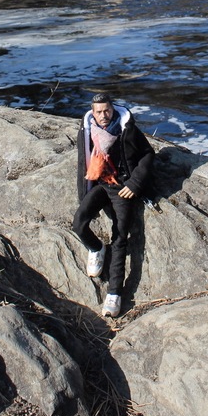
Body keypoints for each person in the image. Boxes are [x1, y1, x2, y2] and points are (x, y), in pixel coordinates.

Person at [73, 92, 155, 318]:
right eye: (98, 111)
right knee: (79, 224)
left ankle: (114, 293)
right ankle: (96, 248)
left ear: (113, 109)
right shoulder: (87, 129)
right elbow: (84, 161)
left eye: (107, 110)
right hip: (100, 184)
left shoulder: (127, 129)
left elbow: (148, 154)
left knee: (120, 238)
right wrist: (84, 192)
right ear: (93, 112)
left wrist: (135, 183)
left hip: (122, 189)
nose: (103, 115)